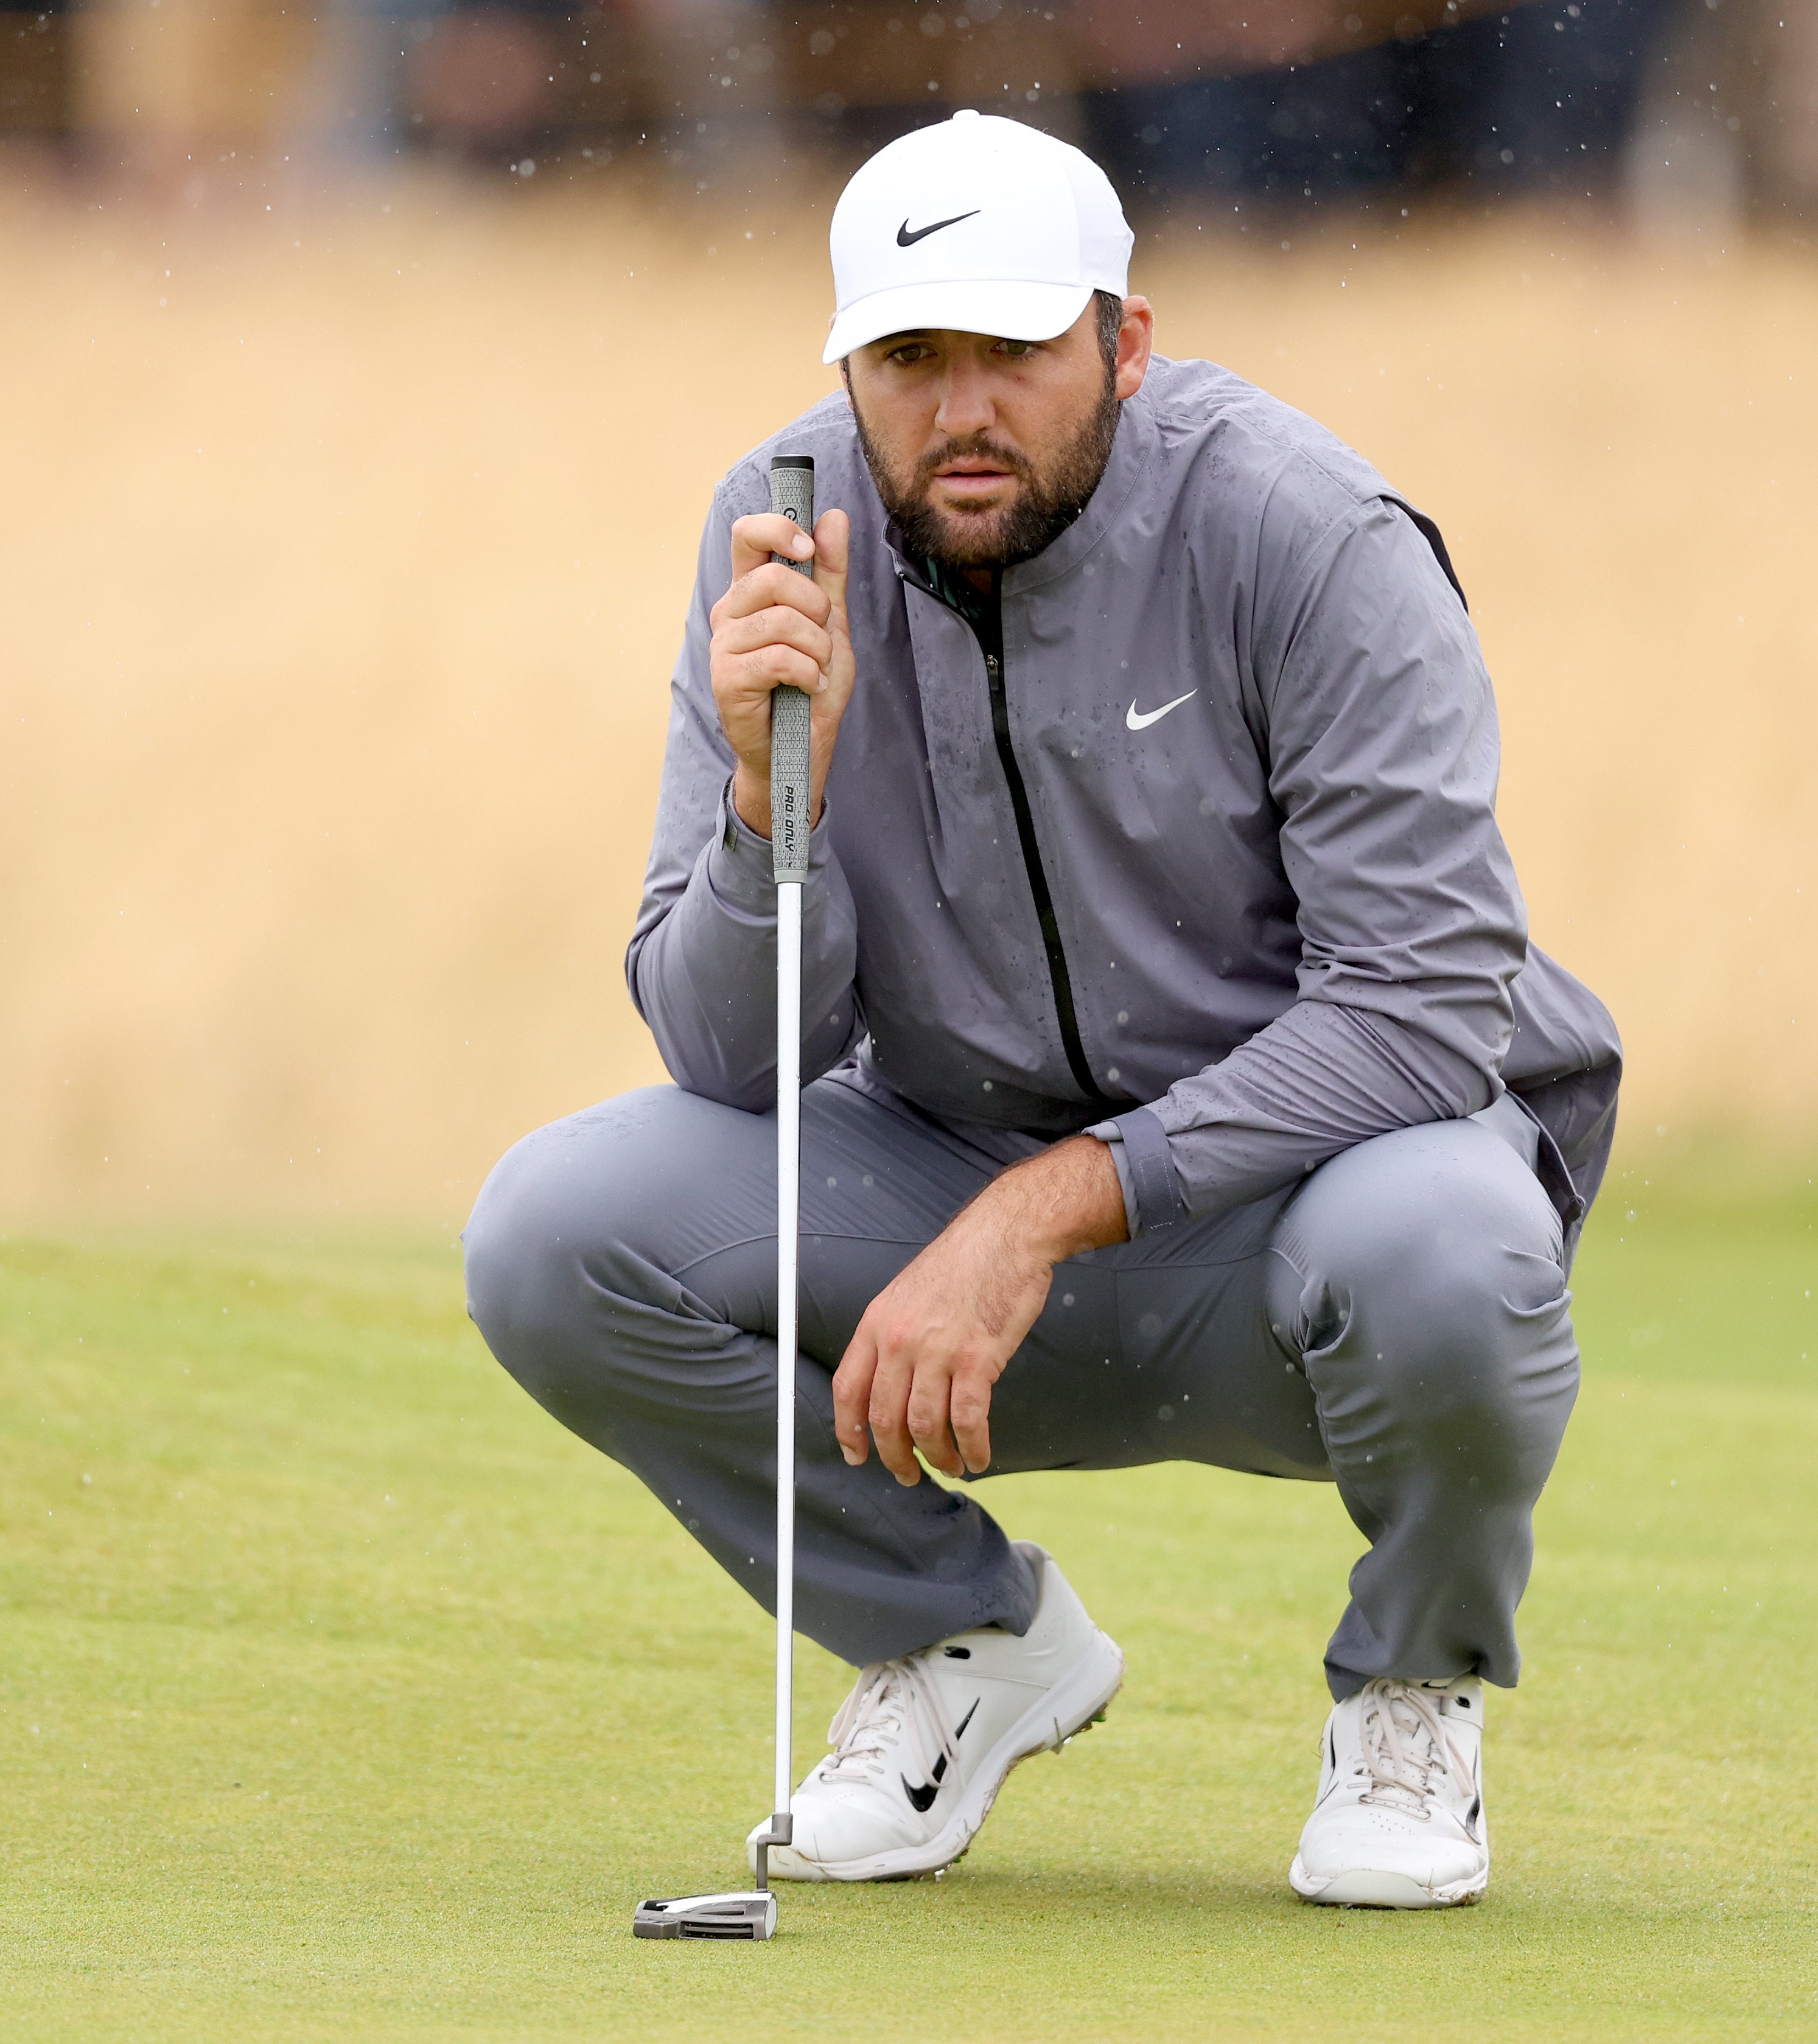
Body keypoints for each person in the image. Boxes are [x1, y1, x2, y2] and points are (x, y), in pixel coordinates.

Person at [464, 108, 1620, 1908]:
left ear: (1126, 346)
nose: (962, 407)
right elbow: (727, 1060)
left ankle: (1414, 1692)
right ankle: (960, 1642)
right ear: (850, 369)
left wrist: (1042, 1208)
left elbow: (1421, 1005)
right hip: (944, 1173)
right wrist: (789, 816)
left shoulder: (1307, 534)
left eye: (1015, 349)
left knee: (1451, 1249)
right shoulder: (782, 531)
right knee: (552, 1233)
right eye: (911, 359)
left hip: (1308, 1216)